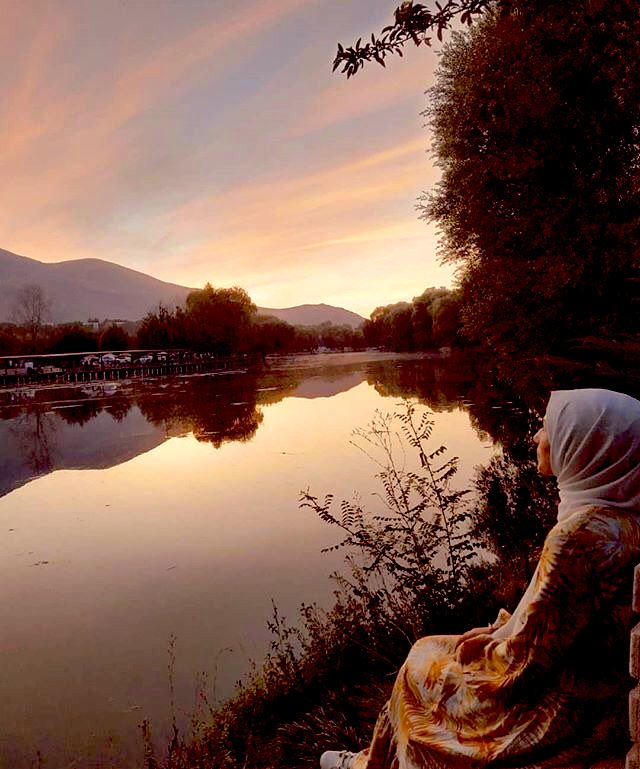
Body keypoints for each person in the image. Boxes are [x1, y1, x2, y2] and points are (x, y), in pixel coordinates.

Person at [321, 388, 640, 769]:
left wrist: (486, 647)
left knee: (419, 662)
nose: (536, 438)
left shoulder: (578, 538)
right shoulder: (617, 517)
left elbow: (525, 664)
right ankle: (371, 761)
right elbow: (558, 625)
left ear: (584, 444)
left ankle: (374, 764)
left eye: (546, 429)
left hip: (563, 707)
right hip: (595, 686)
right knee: (433, 651)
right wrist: (501, 629)